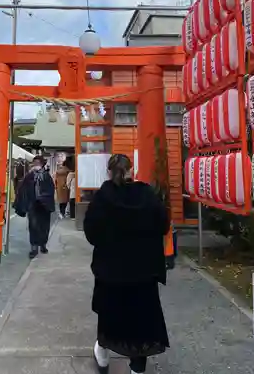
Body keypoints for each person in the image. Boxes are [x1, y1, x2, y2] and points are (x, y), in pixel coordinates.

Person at [83, 154, 170, 374]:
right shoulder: (147, 194)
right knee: (141, 320)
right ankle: (137, 369)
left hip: (111, 270)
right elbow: (163, 225)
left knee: (109, 313)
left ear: (109, 172)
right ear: (133, 170)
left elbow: (91, 233)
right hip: (144, 271)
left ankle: (103, 356)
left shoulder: (103, 196)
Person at [14, 155, 55, 259]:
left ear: (42, 164)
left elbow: (51, 190)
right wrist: (23, 203)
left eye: (38, 163)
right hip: (32, 205)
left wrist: (43, 197)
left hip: (44, 205)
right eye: (35, 163)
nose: (36, 165)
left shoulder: (47, 176)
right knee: (33, 226)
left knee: (44, 226)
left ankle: (43, 244)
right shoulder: (29, 176)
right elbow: (22, 190)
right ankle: (34, 247)